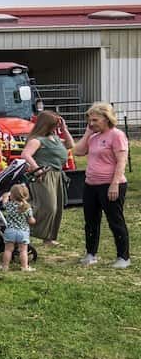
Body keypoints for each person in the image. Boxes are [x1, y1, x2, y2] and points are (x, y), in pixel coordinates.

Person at [73, 102, 130, 268]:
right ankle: (91, 254)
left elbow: (121, 162)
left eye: (95, 120)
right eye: (89, 121)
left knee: (115, 221)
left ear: (106, 119)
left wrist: (114, 184)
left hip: (111, 184)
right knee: (91, 221)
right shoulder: (93, 136)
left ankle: (123, 257)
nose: (91, 123)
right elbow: (78, 151)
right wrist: (87, 133)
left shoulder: (117, 135)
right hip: (91, 185)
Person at [20, 110, 74, 246]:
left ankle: (48, 238)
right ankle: (24, 228)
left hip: (57, 175)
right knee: (49, 207)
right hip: (44, 175)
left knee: (57, 208)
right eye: (55, 124)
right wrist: (36, 169)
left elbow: (70, 145)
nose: (57, 127)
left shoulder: (55, 138)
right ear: (47, 125)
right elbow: (25, 154)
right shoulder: (37, 140)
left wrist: (64, 129)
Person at [0, 183, 36, 271]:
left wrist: (5, 196)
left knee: (8, 250)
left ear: (12, 196)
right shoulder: (27, 207)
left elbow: (4, 202)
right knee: (23, 251)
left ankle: (5, 266)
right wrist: (33, 221)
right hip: (23, 232)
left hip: (10, 231)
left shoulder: (9, 205)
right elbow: (31, 221)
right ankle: (24, 267)